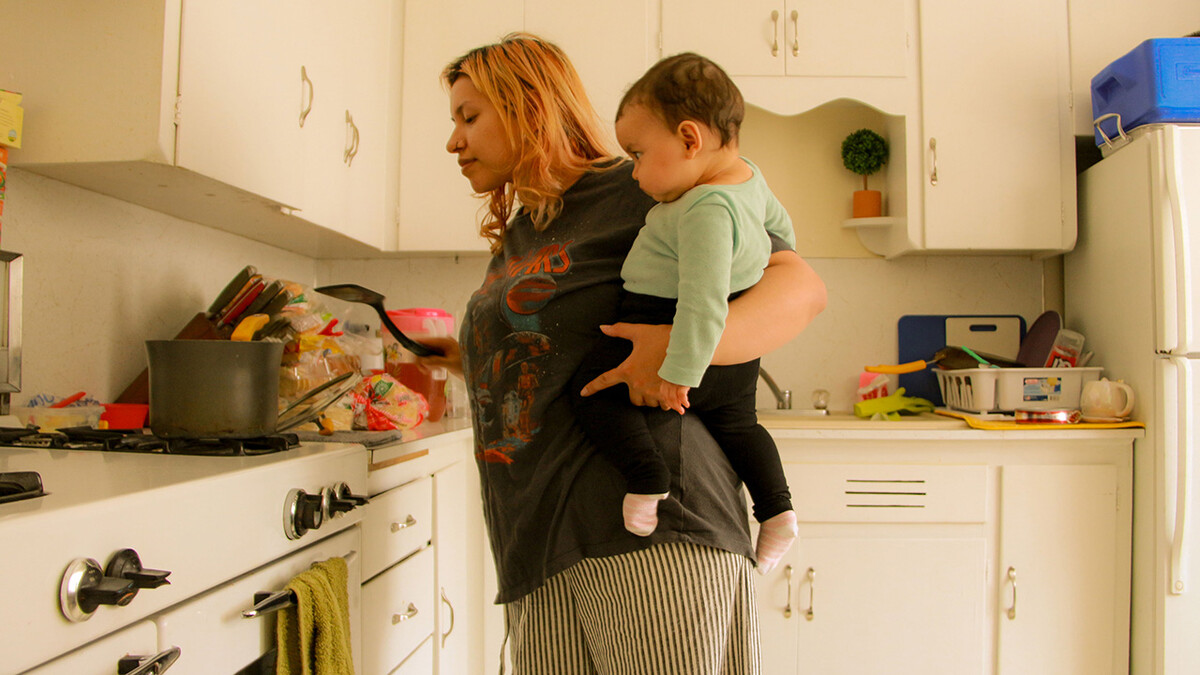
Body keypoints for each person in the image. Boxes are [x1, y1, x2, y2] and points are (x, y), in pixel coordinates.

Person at [420, 33, 826, 673]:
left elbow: (800, 289)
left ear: (530, 104)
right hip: (542, 544)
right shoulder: (528, 226)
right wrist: (458, 354)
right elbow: (558, 349)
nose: (454, 140)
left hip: (654, 530)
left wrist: (677, 348)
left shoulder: (644, 184)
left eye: (469, 117)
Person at [568, 53, 798, 574]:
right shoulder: (749, 181)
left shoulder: (705, 210)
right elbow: (782, 228)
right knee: (741, 425)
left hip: (675, 331)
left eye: (639, 153)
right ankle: (778, 510)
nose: (633, 170)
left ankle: (647, 480)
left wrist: (677, 375)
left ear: (690, 140)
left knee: (593, 391)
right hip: (732, 351)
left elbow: (702, 301)